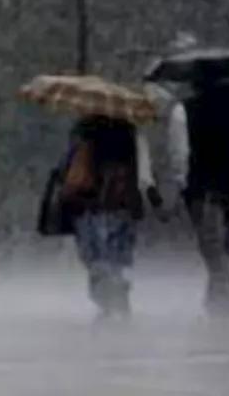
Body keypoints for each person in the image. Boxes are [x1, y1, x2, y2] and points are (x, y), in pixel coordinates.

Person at [166, 78, 229, 319]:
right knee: (223, 246)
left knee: (212, 247)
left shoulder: (183, 110)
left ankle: (227, 302)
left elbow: (180, 152)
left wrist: (182, 182)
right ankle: (216, 300)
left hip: (202, 189)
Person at [61, 115, 163, 321]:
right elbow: (144, 176)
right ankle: (118, 301)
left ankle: (106, 305)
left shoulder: (83, 130)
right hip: (125, 205)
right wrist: (156, 201)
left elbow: (69, 170)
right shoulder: (132, 132)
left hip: (91, 206)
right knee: (116, 260)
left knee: (97, 260)